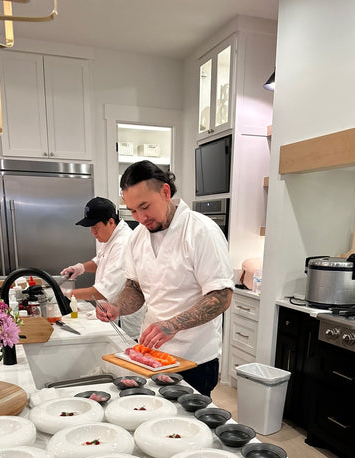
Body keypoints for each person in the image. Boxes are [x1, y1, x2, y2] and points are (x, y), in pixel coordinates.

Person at [96, 161, 234, 397]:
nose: (140, 217)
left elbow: (221, 296)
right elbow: (135, 287)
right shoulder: (137, 237)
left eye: (144, 207)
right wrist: (117, 307)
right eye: (133, 211)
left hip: (194, 359)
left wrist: (173, 325)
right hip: (150, 355)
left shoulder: (201, 231)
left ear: (165, 192)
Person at [61, 196, 142, 336]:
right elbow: (100, 261)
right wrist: (81, 268)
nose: (92, 232)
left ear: (111, 222)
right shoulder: (108, 236)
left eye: (95, 227)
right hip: (106, 311)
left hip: (122, 319)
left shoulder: (123, 243)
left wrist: (67, 293)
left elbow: (103, 291)